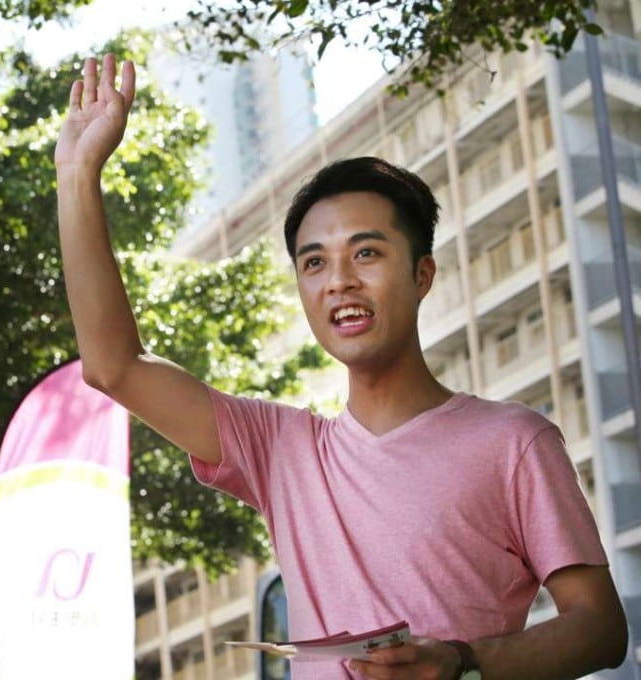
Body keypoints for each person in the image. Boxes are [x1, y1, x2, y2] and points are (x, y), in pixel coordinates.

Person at [54, 53, 629, 679]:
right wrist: (78, 173)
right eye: (315, 263)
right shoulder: (282, 449)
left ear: (422, 273)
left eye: (367, 252)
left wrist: (461, 660)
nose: (341, 282)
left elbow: (600, 629)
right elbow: (113, 366)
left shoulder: (514, 442)